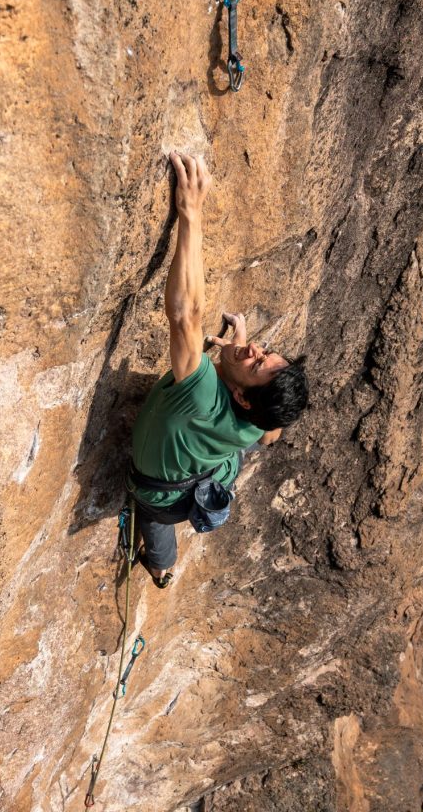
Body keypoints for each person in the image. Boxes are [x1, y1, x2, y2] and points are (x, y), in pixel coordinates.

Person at [127, 152, 309, 587]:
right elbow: (270, 432)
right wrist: (239, 352)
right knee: (251, 439)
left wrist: (190, 212)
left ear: (243, 397)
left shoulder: (202, 392)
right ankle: (161, 564)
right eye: (265, 352)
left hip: (162, 496)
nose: (256, 349)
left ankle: (160, 567)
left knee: (154, 518)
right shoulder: (258, 420)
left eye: (257, 362)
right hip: (216, 470)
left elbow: (186, 315)